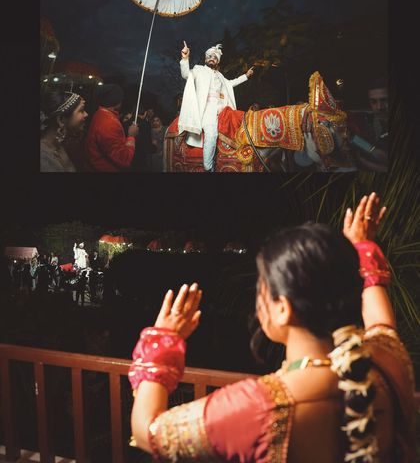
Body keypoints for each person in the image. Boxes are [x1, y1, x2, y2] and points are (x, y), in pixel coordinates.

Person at [129, 192, 415, 462]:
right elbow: (380, 321)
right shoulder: (387, 359)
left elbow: (147, 433)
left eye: (261, 290)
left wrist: (162, 342)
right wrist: (361, 247)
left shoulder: (259, 406)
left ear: (283, 308)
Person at [178, 41, 254, 171]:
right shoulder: (198, 69)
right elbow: (186, 74)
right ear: (206, 59)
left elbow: (231, 83)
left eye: (215, 57)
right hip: (207, 111)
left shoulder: (220, 76)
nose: (212, 59)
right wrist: (185, 58)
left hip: (222, 110)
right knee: (212, 133)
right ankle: (209, 168)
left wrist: (245, 76)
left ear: (217, 62)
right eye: (210, 57)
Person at [84, 84, 139, 172]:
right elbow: (123, 159)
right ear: (116, 101)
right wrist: (131, 136)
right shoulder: (109, 123)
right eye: (120, 98)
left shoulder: (100, 114)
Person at [40, 88, 88, 172]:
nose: (86, 114)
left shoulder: (57, 144)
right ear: (61, 120)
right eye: (81, 110)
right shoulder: (43, 158)